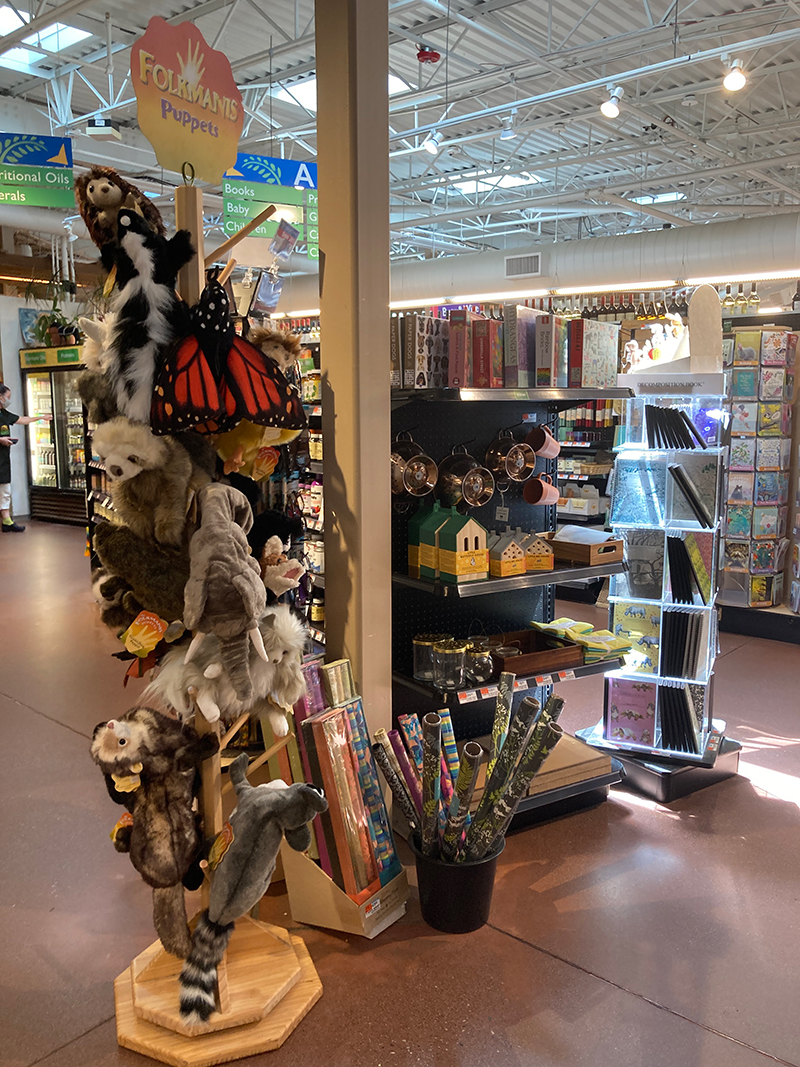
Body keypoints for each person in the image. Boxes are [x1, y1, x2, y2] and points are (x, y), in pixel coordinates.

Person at [0, 382, 52, 533]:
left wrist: (41, 418)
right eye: (8, 397)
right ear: (0, 397)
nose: (9, 400)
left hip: (3, 459)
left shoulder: (4, 414)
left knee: (5, 490)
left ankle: (7, 521)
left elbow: (22, 419)